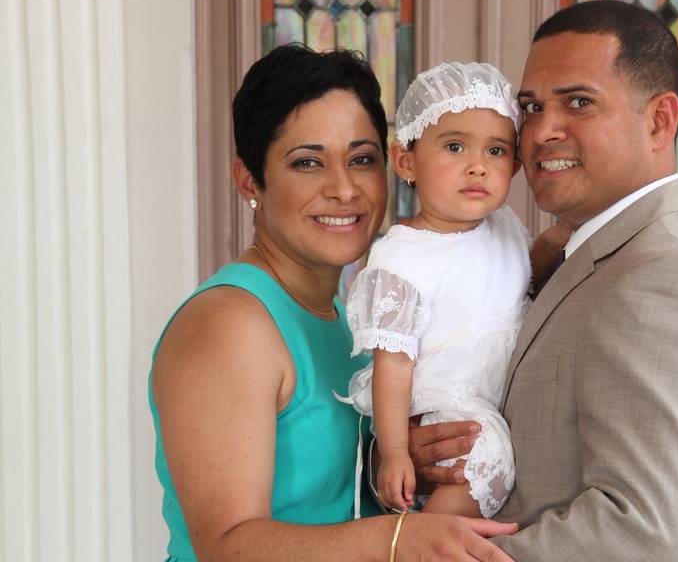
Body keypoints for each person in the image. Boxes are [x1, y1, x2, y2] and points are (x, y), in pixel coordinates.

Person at [149, 44, 516, 562]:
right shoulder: (229, 323)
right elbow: (228, 547)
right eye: (307, 163)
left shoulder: (345, 316)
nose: (344, 189)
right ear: (249, 180)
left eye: (362, 159)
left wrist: (398, 455)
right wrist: (401, 539)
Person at [486, 0, 678, 560]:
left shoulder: (669, 281)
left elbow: (639, 533)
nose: (540, 132)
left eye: (578, 103)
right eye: (531, 108)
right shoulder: (585, 254)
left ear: (659, 120)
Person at [342, 62, 570, 520]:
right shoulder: (402, 260)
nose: (477, 167)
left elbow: (529, 270)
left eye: (496, 151)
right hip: (447, 406)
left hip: (502, 402)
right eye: (454, 146)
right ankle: (430, 537)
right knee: (471, 468)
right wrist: (395, 452)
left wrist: (571, 231)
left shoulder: (504, 227)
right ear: (406, 160)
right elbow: (394, 365)